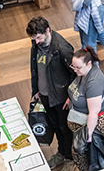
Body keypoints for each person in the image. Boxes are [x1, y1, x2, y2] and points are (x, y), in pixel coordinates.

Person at [27, 16, 76, 168]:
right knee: (54, 125)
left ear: (47, 30)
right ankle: (62, 152)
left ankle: (70, 157)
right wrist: (36, 90)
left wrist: (70, 96)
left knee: (65, 128)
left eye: (39, 37)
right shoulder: (36, 45)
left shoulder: (62, 49)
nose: (36, 42)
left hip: (61, 98)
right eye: (34, 38)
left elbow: (75, 74)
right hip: (45, 95)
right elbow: (35, 69)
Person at [66, 47, 104, 171]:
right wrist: (71, 98)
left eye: (78, 67)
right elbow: (77, 87)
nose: (75, 70)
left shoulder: (94, 82)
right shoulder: (83, 72)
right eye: (73, 66)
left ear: (89, 64)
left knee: (85, 155)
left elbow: (93, 112)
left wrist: (88, 135)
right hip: (81, 120)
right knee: (79, 151)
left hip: (95, 122)